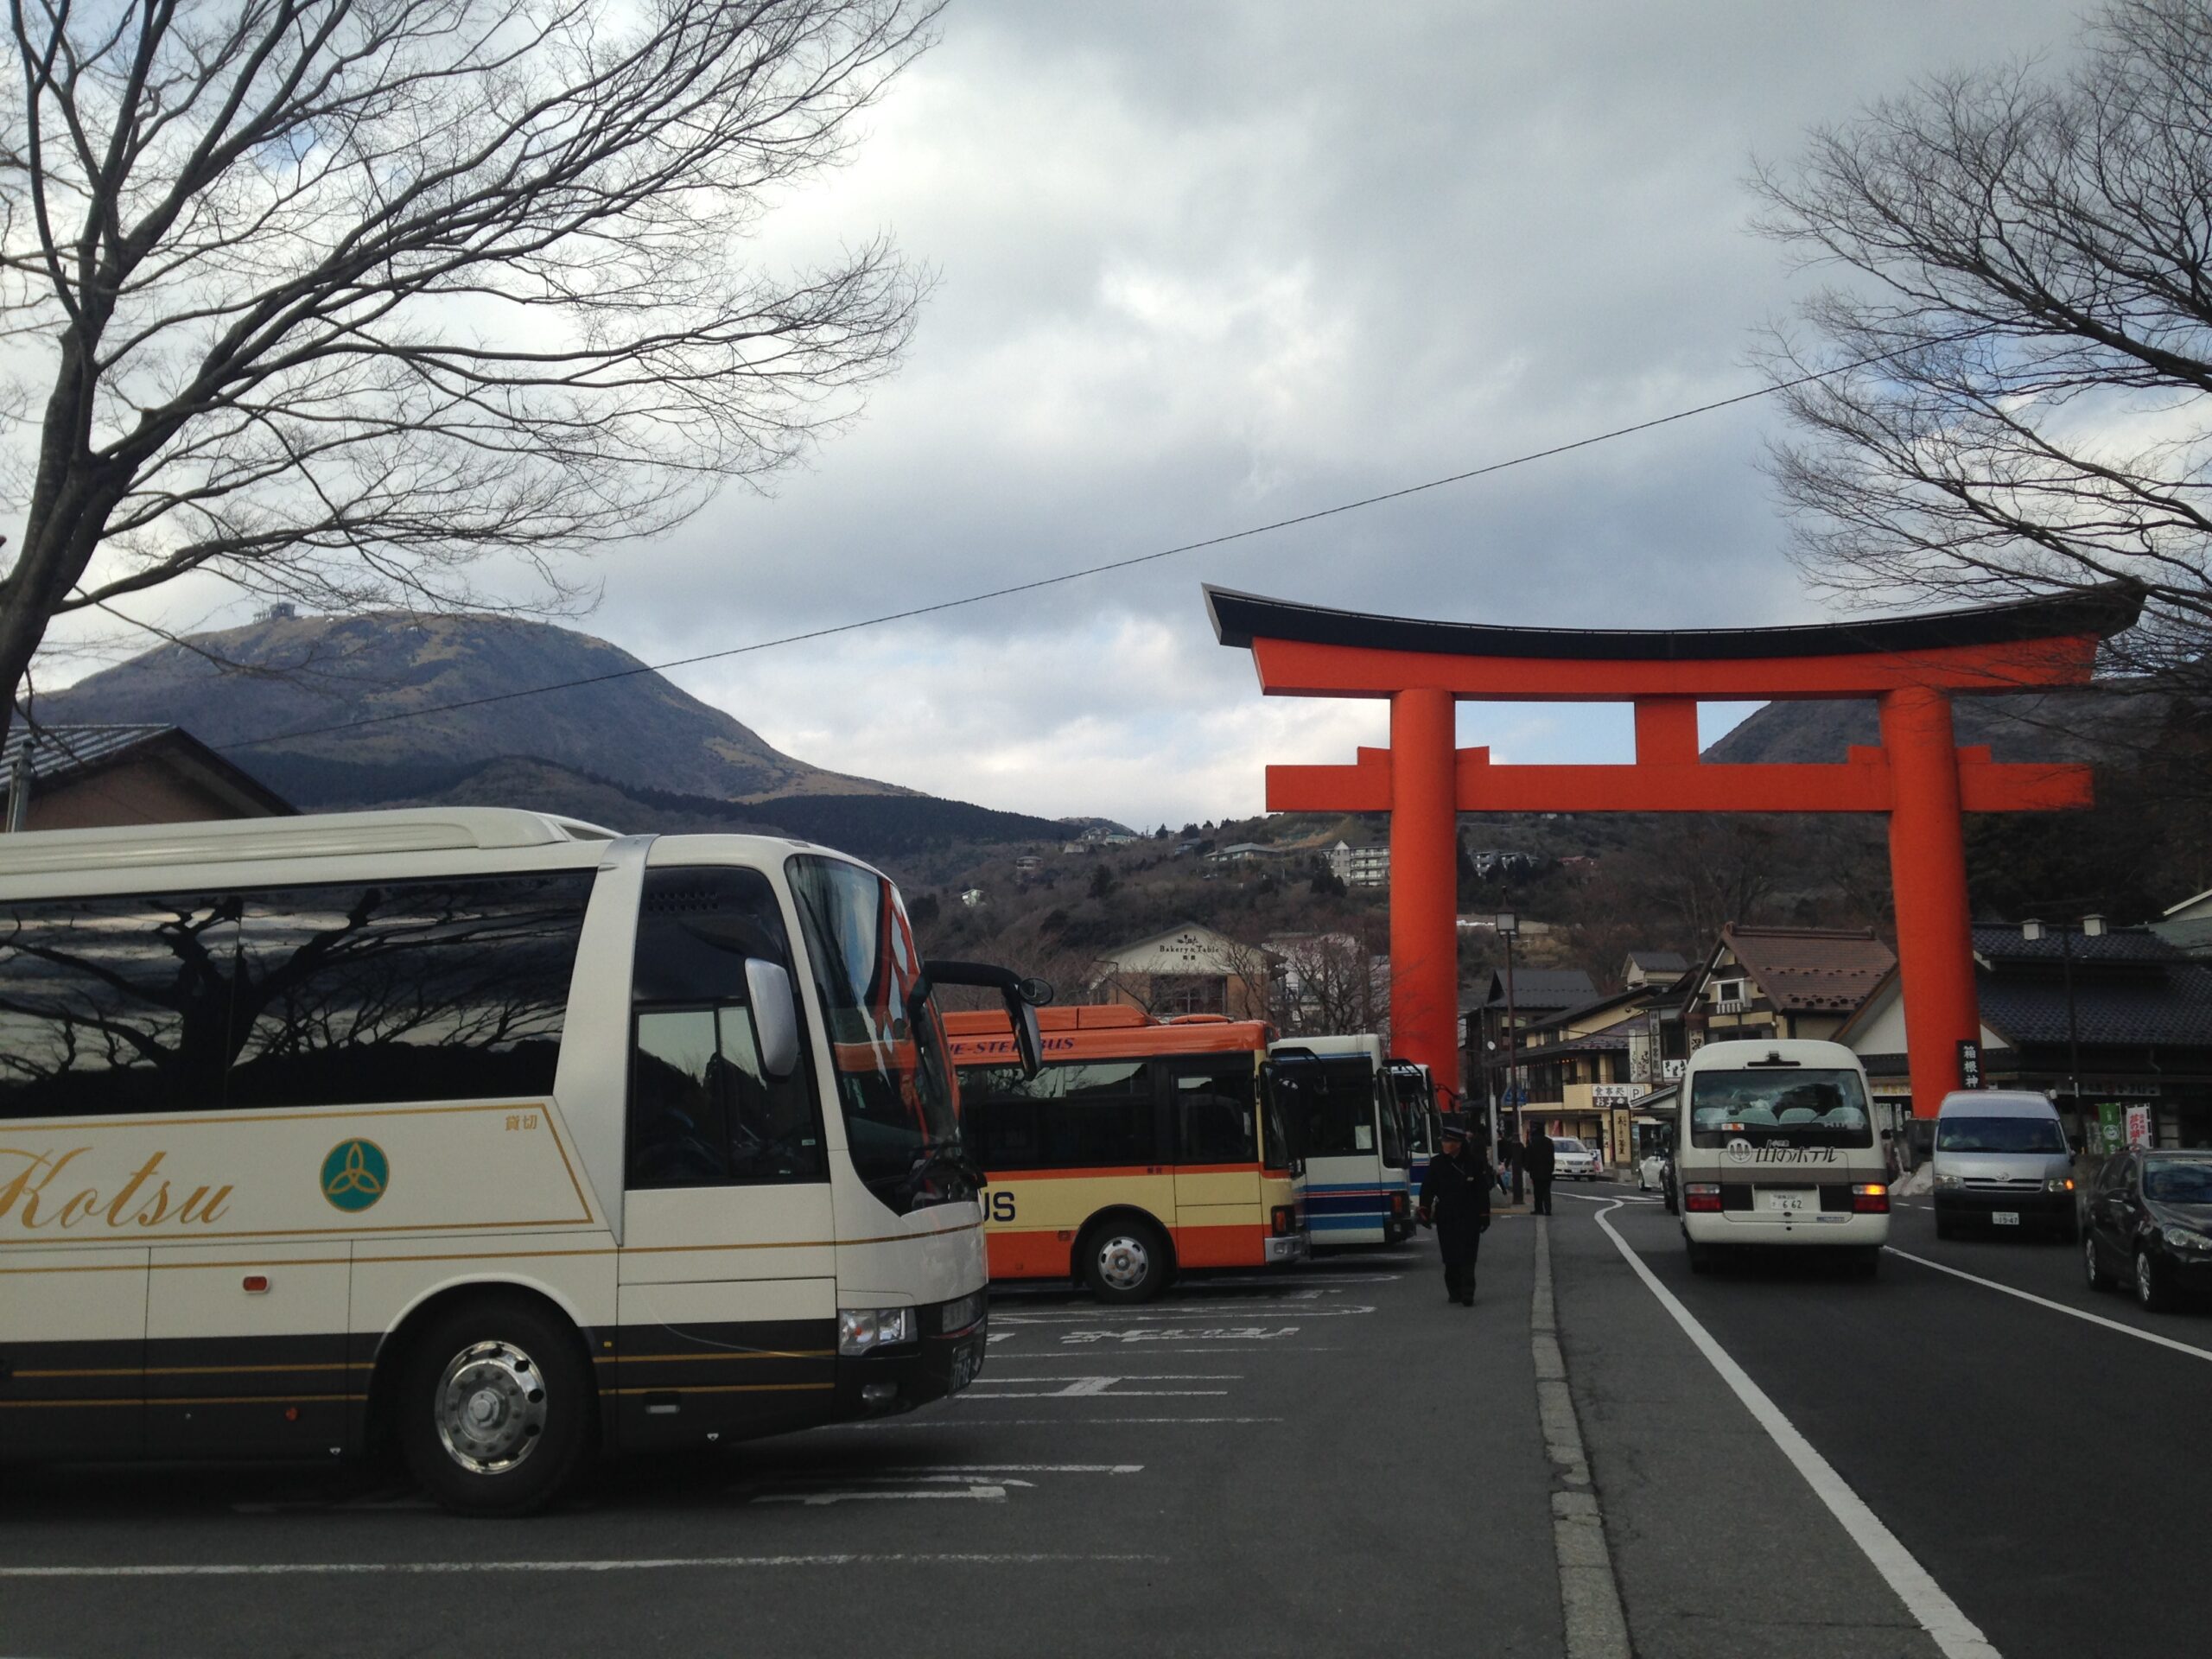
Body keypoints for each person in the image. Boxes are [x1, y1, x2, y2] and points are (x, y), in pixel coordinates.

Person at [1416, 1116, 1492, 1306]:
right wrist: (1424, 1209)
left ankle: (1468, 1292)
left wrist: (1484, 1215)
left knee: (1468, 1256)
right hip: (1447, 1216)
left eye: (1449, 1141)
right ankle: (1454, 1291)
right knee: (1450, 1257)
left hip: (1469, 1215)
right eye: (1444, 1141)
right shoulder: (1437, 1164)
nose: (1445, 1145)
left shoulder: (1473, 1163)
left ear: (1458, 1144)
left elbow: (1482, 1190)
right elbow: (1428, 1188)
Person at [1523, 1122, 1556, 1216]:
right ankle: (1548, 1209)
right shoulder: (1549, 1142)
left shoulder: (1532, 1142)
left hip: (1535, 1170)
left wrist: (1528, 1167)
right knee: (1546, 1190)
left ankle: (1539, 1209)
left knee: (1537, 1191)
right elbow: (1551, 1157)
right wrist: (1551, 1168)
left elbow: (1528, 1156)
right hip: (1547, 1170)